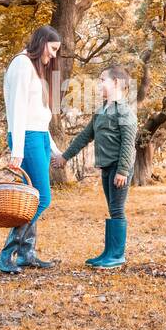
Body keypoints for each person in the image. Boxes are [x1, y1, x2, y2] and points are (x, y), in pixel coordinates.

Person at [0, 26, 65, 274]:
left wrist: (55, 149)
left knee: (33, 197)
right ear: (43, 42)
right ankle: (6, 255)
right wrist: (18, 151)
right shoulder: (21, 64)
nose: (54, 55)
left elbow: (40, 117)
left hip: (39, 137)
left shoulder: (36, 69)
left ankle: (27, 254)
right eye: (53, 49)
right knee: (42, 198)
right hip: (26, 138)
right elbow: (17, 110)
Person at [56, 64, 137, 268]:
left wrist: (123, 171)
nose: (99, 84)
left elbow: (128, 143)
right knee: (112, 209)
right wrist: (65, 157)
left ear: (116, 82)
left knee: (117, 209)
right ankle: (109, 252)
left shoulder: (125, 111)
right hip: (107, 167)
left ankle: (117, 255)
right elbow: (85, 136)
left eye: (103, 80)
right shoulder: (101, 110)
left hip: (119, 168)